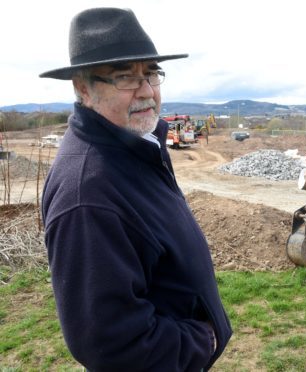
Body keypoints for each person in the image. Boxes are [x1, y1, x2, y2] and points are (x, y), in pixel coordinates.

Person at [40, 8, 231, 371]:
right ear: (84, 88)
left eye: (151, 73)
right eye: (125, 77)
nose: (146, 91)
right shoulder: (87, 195)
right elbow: (110, 343)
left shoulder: (135, 146)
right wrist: (202, 341)